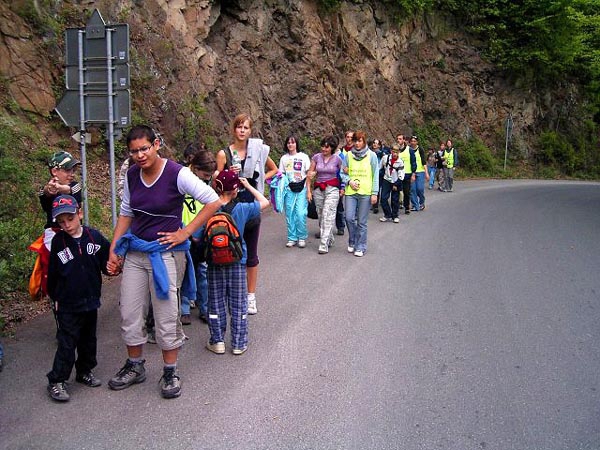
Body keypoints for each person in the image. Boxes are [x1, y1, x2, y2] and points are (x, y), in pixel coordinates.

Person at [106, 125, 223, 399]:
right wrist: (114, 250)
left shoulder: (177, 173)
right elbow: (126, 214)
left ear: (156, 144)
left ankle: (170, 370)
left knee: (166, 314)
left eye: (144, 148)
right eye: (134, 151)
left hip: (167, 254)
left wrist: (185, 231)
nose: (139, 155)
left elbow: (213, 201)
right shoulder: (133, 174)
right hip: (136, 252)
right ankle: (135, 366)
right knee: (130, 313)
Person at [45, 195, 111, 402]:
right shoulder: (58, 241)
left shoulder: (95, 237)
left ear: (79, 213)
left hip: (90, 300)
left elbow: (107, 262)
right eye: (61, 222)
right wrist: (53, 296)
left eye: (70, 219)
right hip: (66, 303)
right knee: (67, 342)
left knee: (88, 340)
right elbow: (54, 272)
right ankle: (57, 380)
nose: (67, 225)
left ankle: (84, 371)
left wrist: (112, 267)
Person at [215, 114, 278, 315]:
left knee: (251, 252)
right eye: (239, 127)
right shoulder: (224, 154)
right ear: (234, 130)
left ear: (251, 131)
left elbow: (274, 169)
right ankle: (229, 292)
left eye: (246, 127)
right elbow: (217, 184)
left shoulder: (257, 151)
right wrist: (226, 175)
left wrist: (254, 183)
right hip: (230, 209)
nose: (242, 130)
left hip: (250, 205)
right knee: (227, 249)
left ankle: (250, 295)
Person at [205, 170, 270, 355]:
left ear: (217, 187)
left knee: (216, 302)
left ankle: (217, 341)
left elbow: (195, 235)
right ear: (235, 190)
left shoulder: (210, 208)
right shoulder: (242, 208)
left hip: (213, 263)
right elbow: (265, 202)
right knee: (238, 303)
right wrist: (248, 185)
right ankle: (239, 343)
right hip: (237, 261)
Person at [341, 131, 379, 257]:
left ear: (364, 141)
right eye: (355, 141)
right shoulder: (348, 156)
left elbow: (375, 175)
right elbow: (342, 173)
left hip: (365, 193)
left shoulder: (371, 156)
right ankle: (352, 240)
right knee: (349, 218)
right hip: (351, 192)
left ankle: (361, 245)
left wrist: (374, 193)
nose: (357, 143)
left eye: (360, 141)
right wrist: (349, 181)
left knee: (362, 222)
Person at [307, 135, 343, 254]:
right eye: (323, 146)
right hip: (318, 188)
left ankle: (323, 244)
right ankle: (330, 238)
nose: (324, 149)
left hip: (332, 188)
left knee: (328, 213)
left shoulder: (337, 159)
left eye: (327, 147)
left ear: (332, 148)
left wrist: (343, 187)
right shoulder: (316, 157)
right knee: (321, 214)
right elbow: (309, 174)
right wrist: (308, 190)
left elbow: (344, 174)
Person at [39, 151, 82, 251]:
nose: (71, 174)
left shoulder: (76, 186)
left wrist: (58, 188)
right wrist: (50, 189)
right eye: (67, 170)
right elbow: (44, 192)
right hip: (53, 236)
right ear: (54, 171)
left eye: (73, 170)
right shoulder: (45, 190)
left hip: (75, 235)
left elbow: (70, 189)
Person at [278, 135, 311, 248]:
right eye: (288, 143)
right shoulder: (284, 158)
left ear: (296, 143)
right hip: (289, 189)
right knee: (290, 213)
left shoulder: (303, 157)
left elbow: (309, 174)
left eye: (293, 142)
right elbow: (281, 174)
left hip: (302, 187)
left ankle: (301, 237)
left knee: (301, 213)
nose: (290, 145)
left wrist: (308, 190)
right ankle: (292, 237)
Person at [379, 144, 405, 223]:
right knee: (383, 198)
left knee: (395, 200)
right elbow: (379, 168)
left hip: (396, 181)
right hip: (386, 179)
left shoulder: (400, 162)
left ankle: (395, 215)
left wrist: (396, 184)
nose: (394, 154)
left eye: (396, 152)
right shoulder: (385, 158)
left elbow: (401, 175)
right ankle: (387, 214)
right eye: (393, 152)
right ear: (391, 151)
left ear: (399, 152)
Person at [335, 131, 353, 236]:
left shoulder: (355, 152)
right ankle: (326, 228)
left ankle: (341, 225)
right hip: (339, 179)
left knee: (340, 205)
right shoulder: (341, 151)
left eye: (351, 137)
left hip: (350, 179)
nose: (349, 139)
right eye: (347, 137)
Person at [408, 135, 429, 211]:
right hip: (411, 172)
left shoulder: (420, 150)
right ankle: (415, 205)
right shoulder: (408, 150)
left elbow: (424, 162)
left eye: (414, 141)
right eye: (412, 141)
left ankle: (421, 203)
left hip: (420, 171)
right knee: (412, 189)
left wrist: (426, 173)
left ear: (417, 142)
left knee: (420, 189)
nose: (413, 143)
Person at [396, 134, 416, 215]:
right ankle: (396, 206)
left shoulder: (410, 150)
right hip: (397, 174)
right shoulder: (396, 150)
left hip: (407, 174)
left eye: (400, 139)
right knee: (396, 191)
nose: (398, 140)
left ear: (404, 140)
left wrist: (413, 173)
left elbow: (413, 162)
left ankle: (407, 207)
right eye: (397, 139)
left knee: (406, 192)